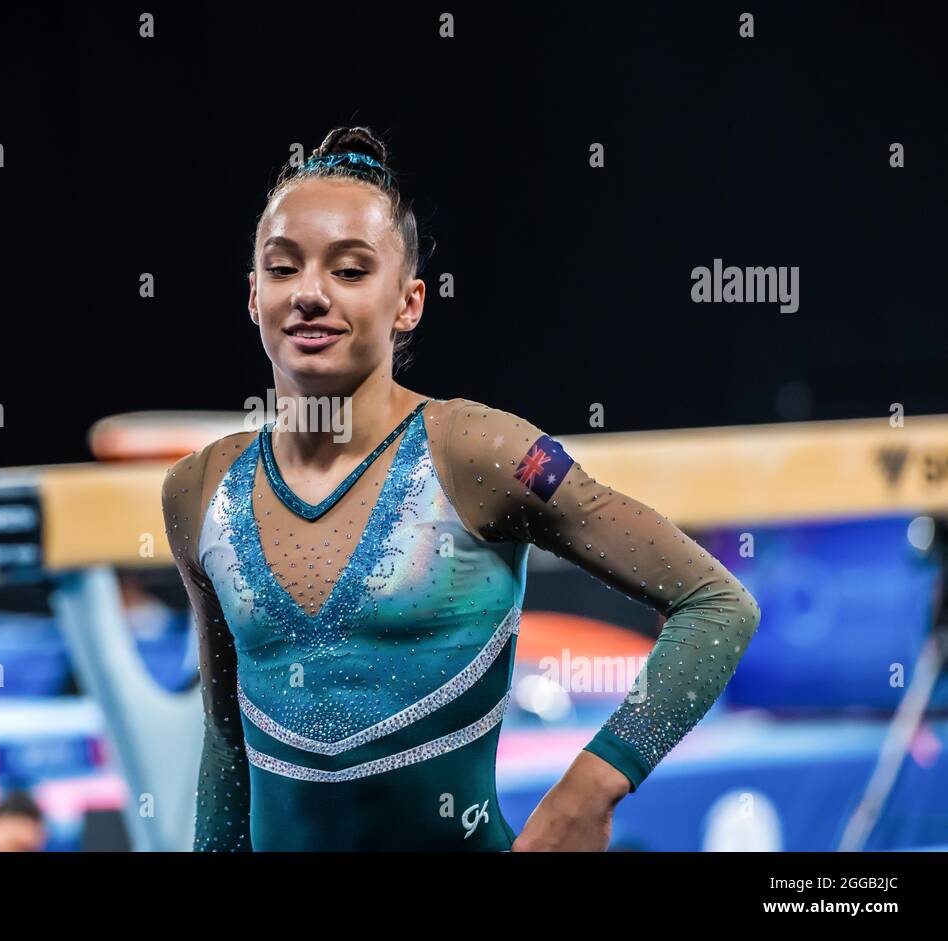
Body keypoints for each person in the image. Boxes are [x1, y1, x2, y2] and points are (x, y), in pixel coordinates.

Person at [160, 126, 762, 851]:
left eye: (351, 271)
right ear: (254, 295)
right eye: (284, 268)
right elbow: (228, 740)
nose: (311, 293)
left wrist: (593, 783)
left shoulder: (477, 453)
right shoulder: (201, 489)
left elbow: (718, 604)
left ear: (410, 301)